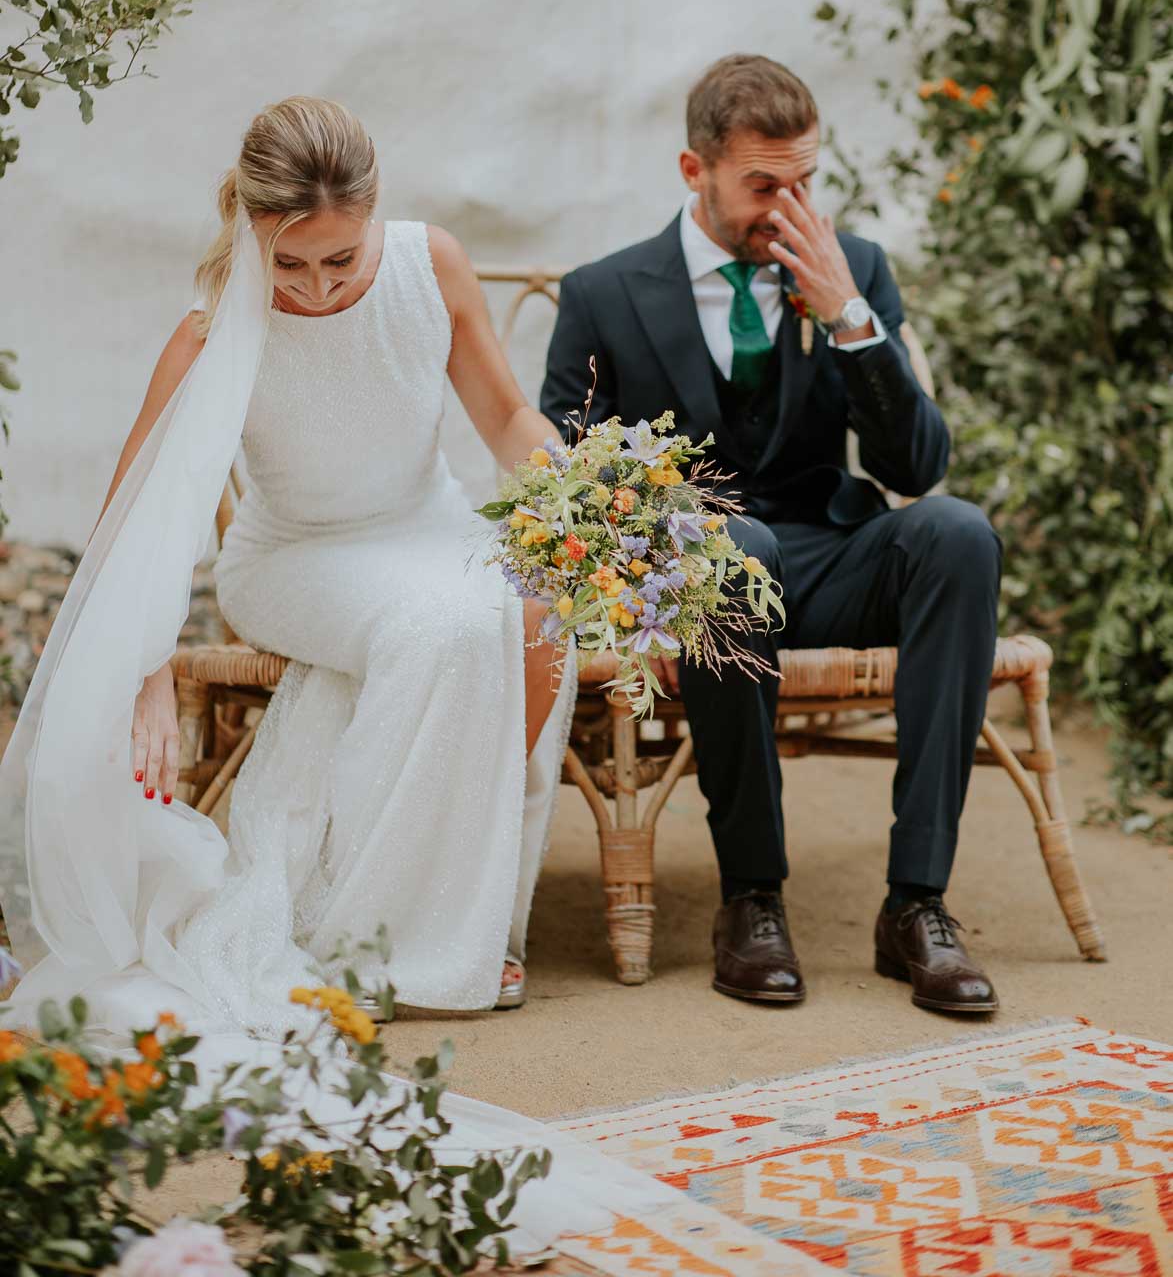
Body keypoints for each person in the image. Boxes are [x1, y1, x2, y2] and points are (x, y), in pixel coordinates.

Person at [1, 94, 579, 1035]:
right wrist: (148, 670)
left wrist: (577, 497)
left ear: (375, 213)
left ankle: (477, 913)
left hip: (427, 525)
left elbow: (507, 417)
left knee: (537, 606)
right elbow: (136, 517)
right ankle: (368, 936)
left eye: (339, 260)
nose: (313, 289)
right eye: (290, 263)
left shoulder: (430, 266)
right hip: (294, 556)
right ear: (250, 230)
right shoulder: (211, 330)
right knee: (443, 626)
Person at [541, 53, 1003, 1015]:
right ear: (692, 170)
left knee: (957, 534)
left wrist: (848, 316)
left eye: (804, 181)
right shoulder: (603, 292)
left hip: (830, 559)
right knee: (732, 552)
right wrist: (647, 575)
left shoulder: (854, 266)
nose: (786, 207)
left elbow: (915, 469)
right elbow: (571, 479)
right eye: (761, 185)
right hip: (696, 581)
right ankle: (751, 897)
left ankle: (915, 904)